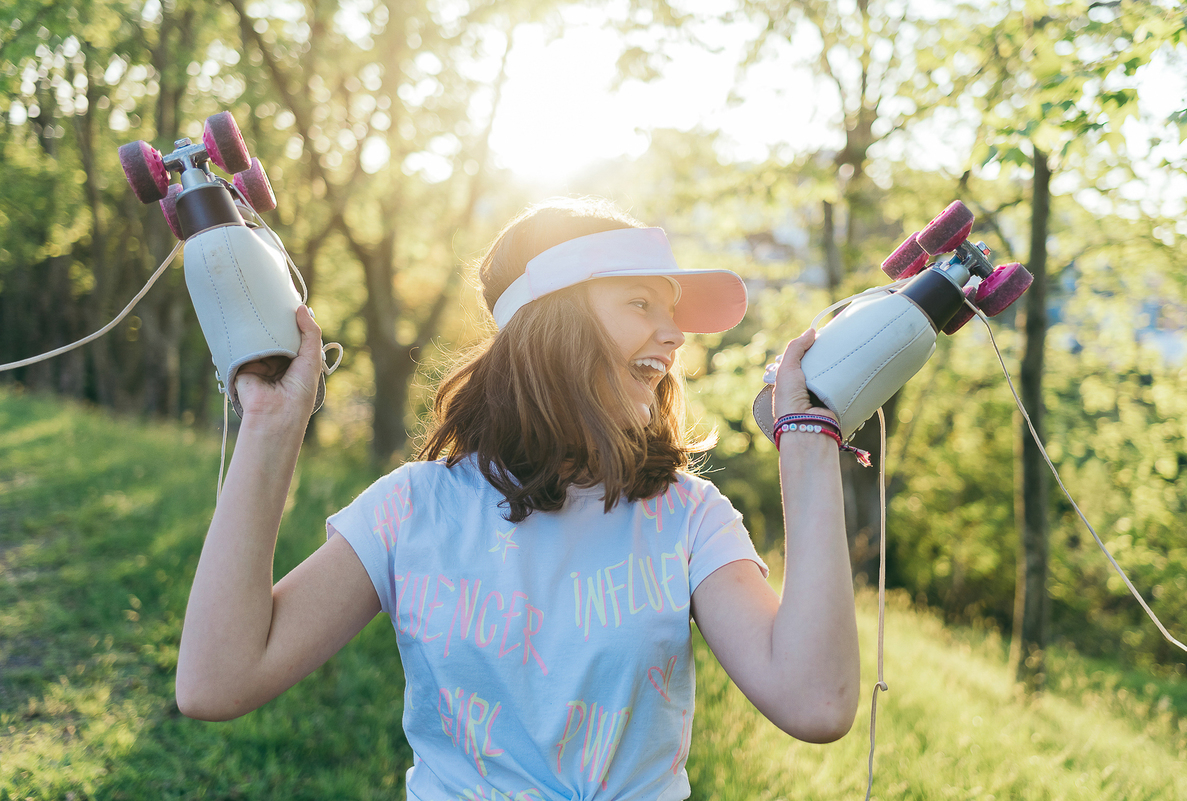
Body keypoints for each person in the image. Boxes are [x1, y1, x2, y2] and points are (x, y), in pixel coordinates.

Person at [176, 196, 860, 800]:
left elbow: (815, 700)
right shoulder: (413, 508)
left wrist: (807, 445)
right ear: (553, 319)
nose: (676, 335)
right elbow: (217, 681)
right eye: (641, 303)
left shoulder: (689, 516)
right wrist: (270, 424)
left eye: (671, 312)